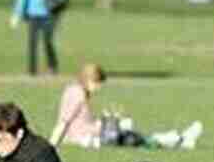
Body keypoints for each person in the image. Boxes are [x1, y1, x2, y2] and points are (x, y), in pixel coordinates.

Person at [48, 62, 204, 149]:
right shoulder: (77, 94)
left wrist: (106, 122)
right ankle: (180, 140)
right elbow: (64, 122)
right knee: (132, 138)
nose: (99, 88)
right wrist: (51, 146)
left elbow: (80, 122)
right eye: (98, 84)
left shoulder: (74, 90)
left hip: (92, 134)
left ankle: (180, 139)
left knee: (133, 134)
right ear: (89, 80)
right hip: (88, 139)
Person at [10, 0, 67, 76]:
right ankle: (32, 70)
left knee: (47, 41)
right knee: (32, 43)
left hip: (49, 15)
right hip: (33, 15)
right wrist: (16, 15)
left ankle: (52, 67)